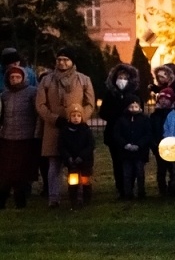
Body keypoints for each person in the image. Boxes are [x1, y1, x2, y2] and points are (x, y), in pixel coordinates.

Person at [34, 48, 97, 208]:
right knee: (54, 165)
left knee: (79, 166)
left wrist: (80, 119)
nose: (62, 62)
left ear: (72, 62)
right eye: (59, 59)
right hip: (53, 128)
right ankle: (53, 198)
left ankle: (80, 196)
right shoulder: (47, 80)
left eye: (65, 59)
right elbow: (40, 104)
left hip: (77, 129)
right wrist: (54, 119)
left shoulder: (83, 80)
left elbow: (90, 103)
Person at [102, 62, 146, 198]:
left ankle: (131, 187)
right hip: (115, 134)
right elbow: (103, 112)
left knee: (132, 163)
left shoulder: (135, 93)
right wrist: (117, 114)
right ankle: (121, 189)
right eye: (120, 77)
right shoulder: (110, 94)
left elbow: (141, 111)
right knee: (117, 162)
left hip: (132, 134)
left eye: (125, 78)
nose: (122, 80)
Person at [0, 63, 40, 207]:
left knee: (21, 172)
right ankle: (2, 200)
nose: (15, 79)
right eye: (12, 77)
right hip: (7, 137)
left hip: (26, 138)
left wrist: (36, 134)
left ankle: (20, 201)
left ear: (23, 78)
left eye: (18, 77)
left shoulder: (32, 92)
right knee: (6, 171)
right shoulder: (4, 95)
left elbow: (37, 116)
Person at [108, 99, 153, 200]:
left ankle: (141, 192)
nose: (133, 109)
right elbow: (117, 134)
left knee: (140, 173)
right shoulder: (121, 120)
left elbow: (148, 134)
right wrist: (125, 144)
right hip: (125, 152)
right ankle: (128, 193)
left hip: (140, 152)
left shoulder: (144, 119)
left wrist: (139, 145)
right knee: (127, 174)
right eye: (131, 107)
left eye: (136, 107)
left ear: (140, 107)